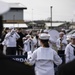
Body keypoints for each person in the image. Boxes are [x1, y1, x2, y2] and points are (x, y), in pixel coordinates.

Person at [0, 1, 35, 75]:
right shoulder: (8, 34)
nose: (11, 30)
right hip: (9, 46)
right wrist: (11, 32)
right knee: (9, 55)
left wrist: (15, 32)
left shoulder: (15, 34)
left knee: (13, 57)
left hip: (14, 46)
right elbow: (7, 37)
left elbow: (18, 37)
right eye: (10, 29)